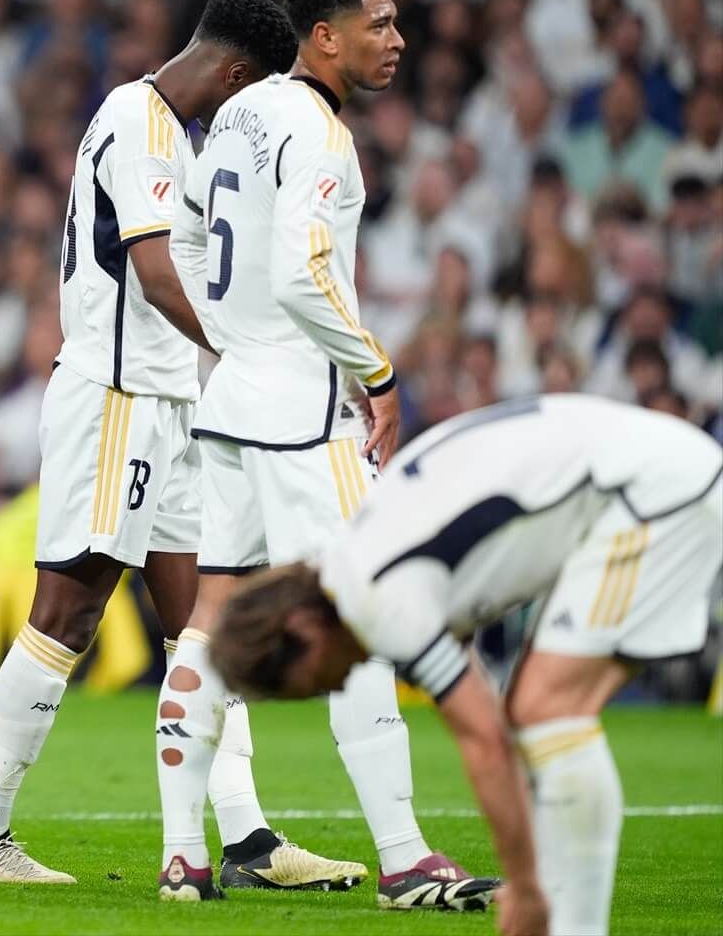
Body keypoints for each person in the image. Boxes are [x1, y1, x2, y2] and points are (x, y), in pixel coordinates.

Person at [0, 0, 359, 892]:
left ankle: (248, 841)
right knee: (70, 611)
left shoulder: (180, 132)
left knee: (202, 625)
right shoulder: (138, 118)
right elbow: (154, 265)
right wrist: (245, 348)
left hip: (170, 403)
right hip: (119, 397)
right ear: (240, 72)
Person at [162, 0, 494, 907]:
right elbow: (309, 270)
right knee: (363, 611)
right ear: (325, 36)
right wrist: (375, 371)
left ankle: (185, 855)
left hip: (229, 408)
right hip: (302, 419)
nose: (396, 40)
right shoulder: (317, 133)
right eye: (379, 24)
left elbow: (189, 235)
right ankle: (402, 859)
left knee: (209, 625)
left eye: (395, 23)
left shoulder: (238, 112)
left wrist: (236, 341)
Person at [210, 395, 723, 936]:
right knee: (537, 708)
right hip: (640, 467)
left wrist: (522, 888)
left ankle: (568, 919)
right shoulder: (358, 551)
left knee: (549, 710)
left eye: (303, 684)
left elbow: (486, 743)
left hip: (656, 495)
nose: (326, 689)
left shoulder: (382, 599)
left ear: (303, 630)